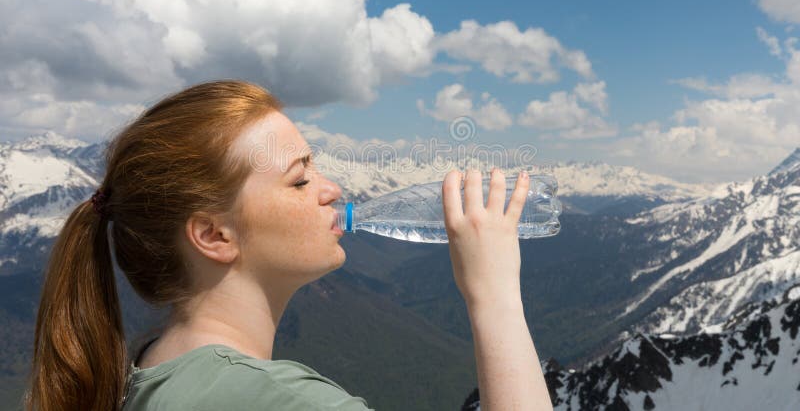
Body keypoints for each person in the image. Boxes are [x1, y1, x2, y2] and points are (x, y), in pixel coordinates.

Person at [23, 79, 552, 410]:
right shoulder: (283, 401)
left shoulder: (148, 372)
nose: (331, 190)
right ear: (214, 235)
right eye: (300, 180)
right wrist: (496, 298)